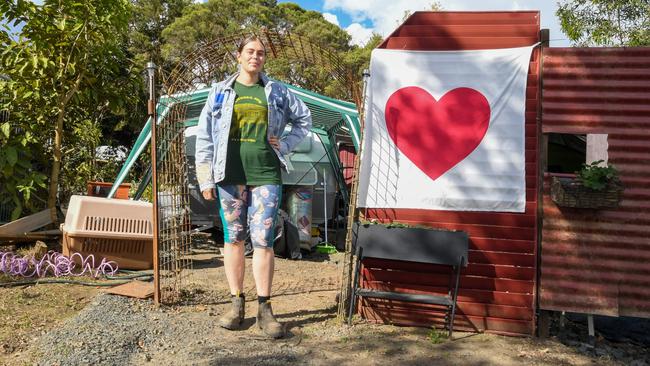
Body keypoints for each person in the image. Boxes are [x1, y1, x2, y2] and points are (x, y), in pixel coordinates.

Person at [194, 35, 312, 339]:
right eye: (250, 52)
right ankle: (236, 304)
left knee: (263, 239)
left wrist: (284, 144)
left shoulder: (276, 91)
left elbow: (304, 120)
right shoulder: (220, 92)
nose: (255, 57)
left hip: (266, 174)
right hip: (229, 175)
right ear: (238, 56)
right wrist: (205, 178)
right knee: (233, 238)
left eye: (260, 53)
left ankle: (265, 308)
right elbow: (205, 137)